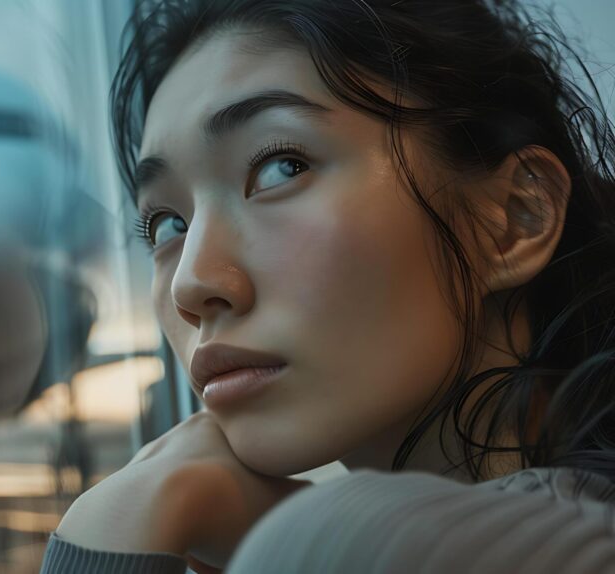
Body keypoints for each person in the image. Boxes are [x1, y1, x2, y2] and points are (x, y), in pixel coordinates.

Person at [40, 0, 615, 572]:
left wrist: (119, 522)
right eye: (168, 225)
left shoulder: (332, 541)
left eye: (280, 167)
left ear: (515, 218)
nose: (190, 284)